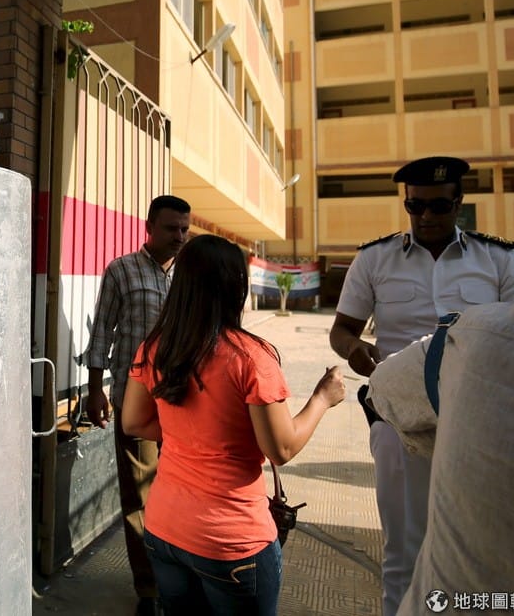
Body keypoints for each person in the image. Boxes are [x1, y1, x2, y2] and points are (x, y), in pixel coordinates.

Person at [328, 155, 514, 616]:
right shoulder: (375, 258)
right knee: (404, 546)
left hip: (478, 417)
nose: (425, 216)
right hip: (398, 418)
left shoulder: (499, 260)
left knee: (477, 540)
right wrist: (354, 348)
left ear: (458, 203)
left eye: (438, 206)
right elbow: (342, 329)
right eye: (415, 206)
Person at [122, 235, 346, 615]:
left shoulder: (155, 347)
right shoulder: (251, 357)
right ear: (236, 287)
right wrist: (323, 398)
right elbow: (282, 448)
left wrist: (192, 434)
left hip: (164, 530)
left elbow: (133, 421)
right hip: (231, 542)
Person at [365, 265, 514, 615]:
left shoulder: (480, 326)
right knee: (400, 551)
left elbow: (384, 389)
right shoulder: (377, 259)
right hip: (401, 430)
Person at [81, 195, 189, 615]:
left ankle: (178, 582)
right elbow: (102, 333)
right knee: (140, 497)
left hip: (183, 405)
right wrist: (94, 389)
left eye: (184, 229)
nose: (179, 237)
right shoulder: (121, 270)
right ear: (149, 227)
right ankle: (150, 590)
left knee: (181, 496)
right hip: (134, 403)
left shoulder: (189, 277)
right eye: (171, 228)